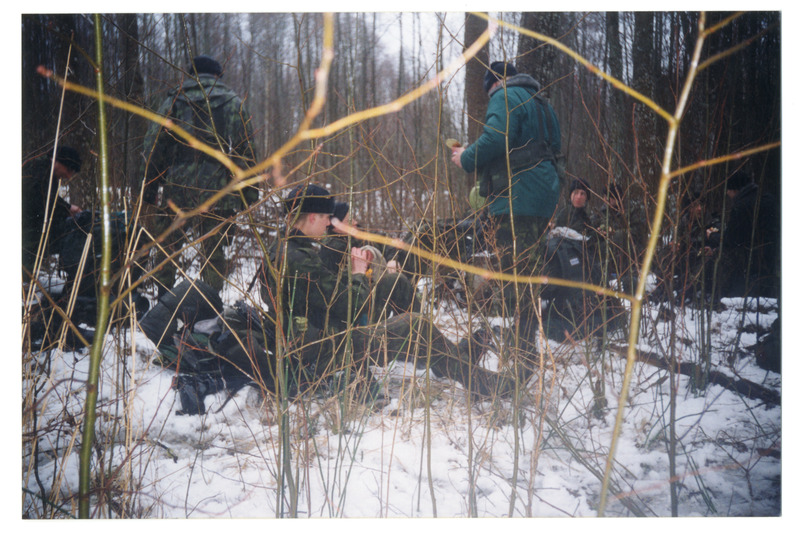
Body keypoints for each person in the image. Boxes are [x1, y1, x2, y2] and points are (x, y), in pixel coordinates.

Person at [258, 183, 527, 400]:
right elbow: (346, 308)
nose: (330, 224)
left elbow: (322, 299)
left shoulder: (287, 247)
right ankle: (483, 384)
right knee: (415, 326)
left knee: (393, 283)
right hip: (326, 348)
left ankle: (447, 357)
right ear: (313, 216)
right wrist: (357, 274)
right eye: (327, 218)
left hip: (324, 334)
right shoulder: (296, 258)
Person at [450, 61, 562, 322]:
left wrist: (466, 157)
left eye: (490, 92)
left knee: (515, 276)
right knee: (530, 271)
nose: (492, 98)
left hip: (516, 198)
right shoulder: (543, 104)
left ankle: (520, 351)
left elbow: (496, 138)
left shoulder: (504, 95)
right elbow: (554, 147)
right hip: (544, 197)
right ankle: (525, 343)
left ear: (495, 83)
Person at [141, 55, 259, 297]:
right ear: (217, 76)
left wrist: (151, 186)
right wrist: (247, 195)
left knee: (168, 249)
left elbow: (153, 143)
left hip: (177, 186)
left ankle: (163, 306)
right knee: (214, 252)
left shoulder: (173, 99)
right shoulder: (232, 101)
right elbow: (246, 151)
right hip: (217, 188)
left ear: (191, 74)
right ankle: (211, 309)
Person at [705, 172, 779, 298]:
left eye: (728, 190)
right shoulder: (767, 198)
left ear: (734, 189)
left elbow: (732, 240)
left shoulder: (742, 206)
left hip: (750, 262)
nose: (727, 194)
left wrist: (712, 236)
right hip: (773, 256)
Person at [22, 146, 82, 280]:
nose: (68, 176)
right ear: (57, 161)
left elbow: (48, 196)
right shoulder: (40, 172)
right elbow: (42, 200)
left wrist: (68, 207)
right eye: (68, 170)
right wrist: (66, 209)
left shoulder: (44, 170)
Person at [590, 182, 649, 293]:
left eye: (611, 197)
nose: (607, 200)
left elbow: (638, 233)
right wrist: (598, 233)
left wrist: (615, 234)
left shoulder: (632, 210)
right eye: (605, 197)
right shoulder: (600, 213)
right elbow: (591, 229)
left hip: (629, 254)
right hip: (607, 255)